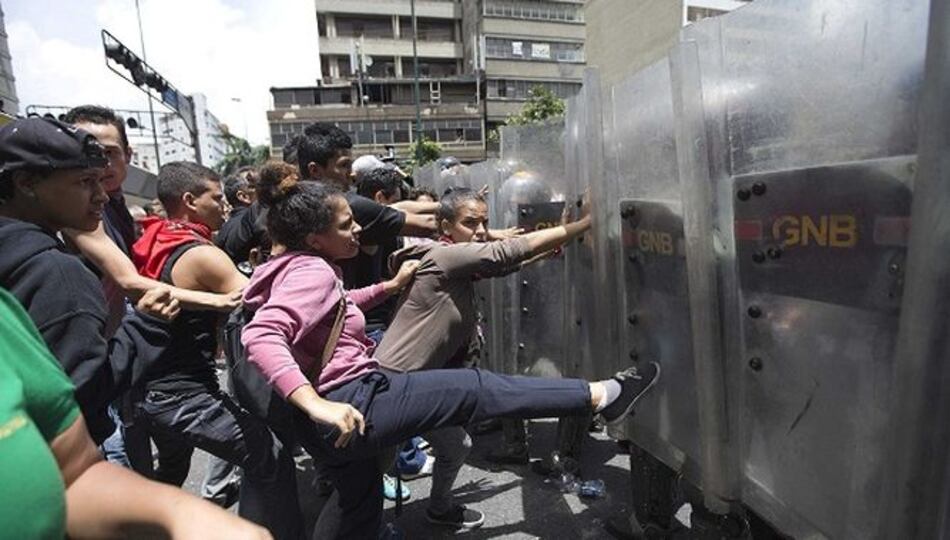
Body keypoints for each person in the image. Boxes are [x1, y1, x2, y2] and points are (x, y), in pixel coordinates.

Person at [241, 163, 661, 538]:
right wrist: (317, 404)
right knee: (475, 389)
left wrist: (385, 289)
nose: (358, 231)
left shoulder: (298, 265)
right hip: (352, 399)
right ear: (315, 237)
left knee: (359, 504)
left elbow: (336, 306)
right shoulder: (312, 270)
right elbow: (262, 336)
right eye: (347, 224)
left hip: (345, 404)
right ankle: (604, 396)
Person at [0, 286, 272, 540]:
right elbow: (93, 381)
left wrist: (179, 512)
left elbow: (76, 472)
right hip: (163, 397)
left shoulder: (5, 322)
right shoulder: (58, 274)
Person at [130, 161, 298, 537]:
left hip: (148, 387)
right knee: (270, 455)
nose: (225, 207)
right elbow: (255, 298)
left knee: (170, 474)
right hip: (182, 393)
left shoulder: (158, 239)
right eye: (217, 198)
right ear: (189, 200)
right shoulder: (201, 253)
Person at [0, 117, 177, 445]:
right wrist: (147, 324)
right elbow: (84, 394)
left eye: (100, 181)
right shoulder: (57, 274)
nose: (102, 197)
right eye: (85, 182)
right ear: (25, 182)